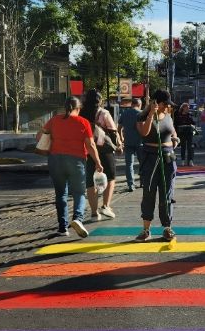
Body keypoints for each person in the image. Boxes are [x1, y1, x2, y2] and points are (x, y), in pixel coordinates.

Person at [40, 96, 103, 238]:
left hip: (56, 160)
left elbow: (40, 136)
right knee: (79, 193)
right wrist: (98, 162)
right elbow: (91, 145)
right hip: (76, 161)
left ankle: (63, 228)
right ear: (78, 108)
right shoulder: (83, 122)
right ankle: (78, 219)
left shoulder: (54, 120)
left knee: (61, 194)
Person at [135, 89, 179, 242]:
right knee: (149, 192)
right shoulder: (141, 116)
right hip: (150, 157)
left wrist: (175, 139)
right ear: (156, 103)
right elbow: (145, 133)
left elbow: (173, 132)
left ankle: (167, 227)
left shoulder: (168, 116)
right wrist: (150, 114)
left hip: (168, 156)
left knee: (167, 193)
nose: (167, 106)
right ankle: (146, 230)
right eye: (165, 104)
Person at [80, 89, 119, 221]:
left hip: (88, 150)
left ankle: (94, 213)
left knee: (90, 182)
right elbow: (113, 131)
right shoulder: (104, 113)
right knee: (110, 177)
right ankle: (106, 206)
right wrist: (118, 144)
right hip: (105, 150)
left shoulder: (81, 113)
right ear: (100, 100)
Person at [119, 98, 143, 192]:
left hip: (128, 141)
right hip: (140, 142)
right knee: (143, 163)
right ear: (139, 104)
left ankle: (130, 184)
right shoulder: (141, 113)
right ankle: (143, 181)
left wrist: (121, 138)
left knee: (129, 164)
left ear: (132, 104)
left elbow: (119, 127)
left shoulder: (124, 113)